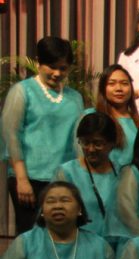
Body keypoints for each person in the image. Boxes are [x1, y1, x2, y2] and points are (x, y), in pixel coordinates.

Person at [1, 36, 84, 235]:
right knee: (32, 236)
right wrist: (22, 179)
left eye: (63, 68)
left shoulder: (75, 98)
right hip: (30, 178)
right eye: (52, 67)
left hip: (64, 180)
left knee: (61, 235)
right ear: (39, 62)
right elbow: (11, 135)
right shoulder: (22, 91)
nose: (57, 73)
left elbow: (79, 140)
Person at [53, 112, 121, 240]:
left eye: (98, 143)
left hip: (117, 243)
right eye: (85, 142)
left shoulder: (123, 172)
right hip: (79, 243)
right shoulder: (66, 173)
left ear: (112, 143)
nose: (91, 149)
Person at [90, 64, 139, 169]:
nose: (119, 88)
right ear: (103, 88)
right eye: (112, 83)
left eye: (124, 83)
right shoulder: (91, 117)